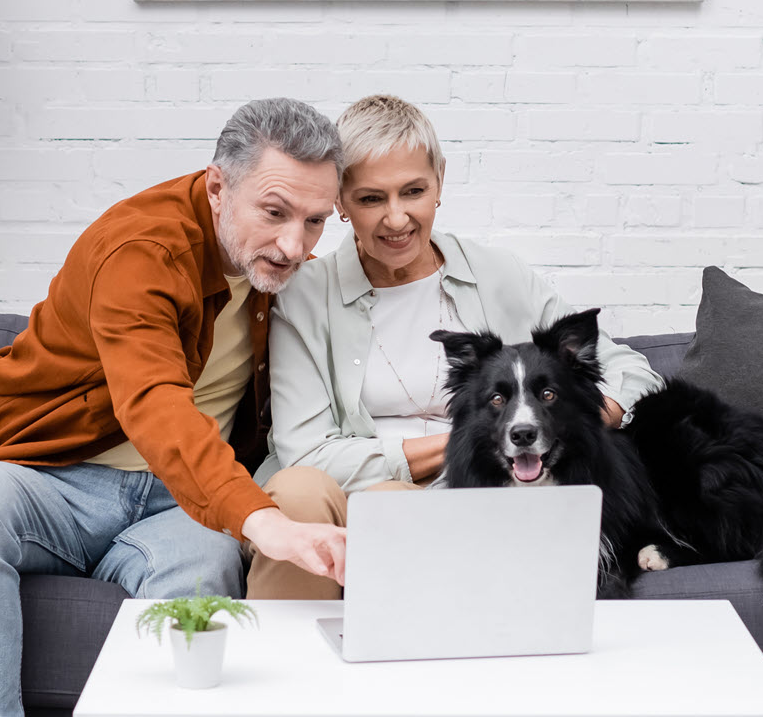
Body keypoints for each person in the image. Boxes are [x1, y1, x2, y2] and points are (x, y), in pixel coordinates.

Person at [0, 98, 350, 717]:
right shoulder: (140, 250)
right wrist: (265, 522)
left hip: (180, 506)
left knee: (205, 567)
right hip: (59, 480)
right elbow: (153, 401)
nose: (292, 245)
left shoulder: (280, 272)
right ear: (217, 187)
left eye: (314, 222)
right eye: (275, 212)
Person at [249, 94, 663, 600]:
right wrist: (470, 444)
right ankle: (286, 662)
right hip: (342, 493)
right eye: (371, 198)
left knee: (395, 505)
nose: (396, 219)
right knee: (296, 492)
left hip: (471, 494)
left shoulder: (498, 274)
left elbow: (631, 368)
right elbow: (306, 452)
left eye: (414, 191)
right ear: (339, 200)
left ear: (440, 181)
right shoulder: (305, 295)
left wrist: (576, 419)